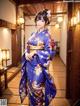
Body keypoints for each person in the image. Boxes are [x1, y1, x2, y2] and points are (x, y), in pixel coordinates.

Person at [19, 9, 56, 106]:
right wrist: (26, 53)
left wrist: (36, 52)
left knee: (36, 87)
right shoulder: (32, 35)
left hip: (39, 66)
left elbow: (51, 52)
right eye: (38, 20)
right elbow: (27, 46)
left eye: (42, 20)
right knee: (30, 86)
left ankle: (39, 103)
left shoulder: (47, 36)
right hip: (29, 64)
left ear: (46, 22)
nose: (39, 22)